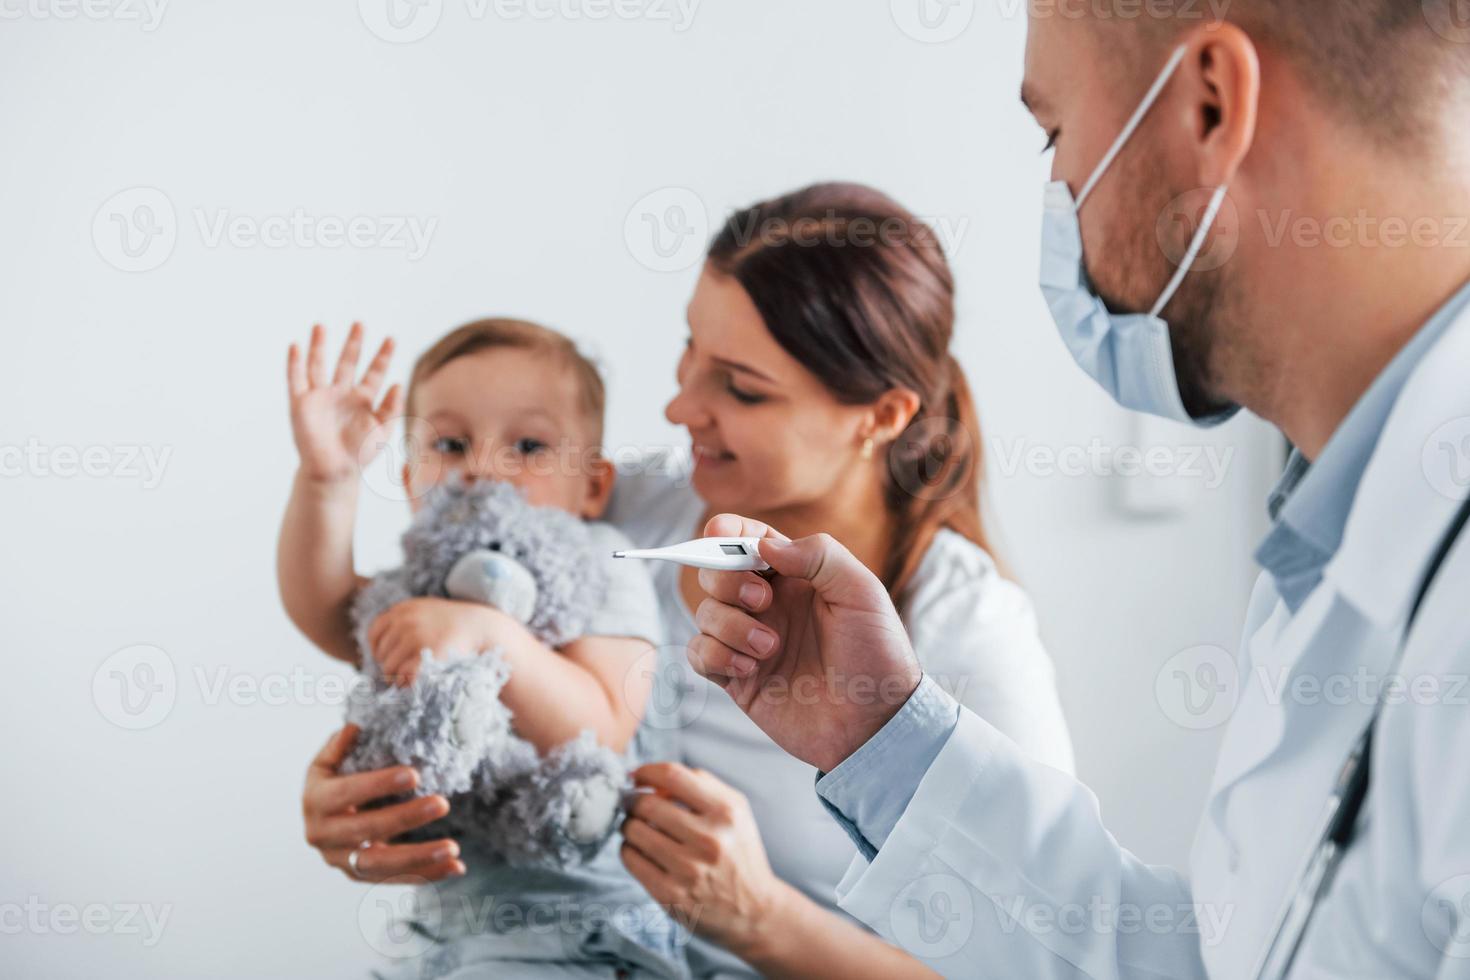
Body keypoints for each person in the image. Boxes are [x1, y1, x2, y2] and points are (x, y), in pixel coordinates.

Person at [685, 5, 1470, 977]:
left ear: (1211, 107)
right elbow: (1206, 963)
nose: (1059, 191)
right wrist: (882, 737)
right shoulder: (1343, 534)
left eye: (1054, 133)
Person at [299, 183, 1076, 978]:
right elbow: (388, 625)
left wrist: (761, 921)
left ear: (878, 417)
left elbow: (1040, 968)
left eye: (740, 387)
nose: (677, 406)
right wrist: (357, 808)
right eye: (689, 352)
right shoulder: (611, 518)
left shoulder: (968, 634)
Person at [280, 319, 683, 978]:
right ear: (409, 476)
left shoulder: (604, 565)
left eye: (527, 444)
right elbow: (322, 609)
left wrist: (489, 635)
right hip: (442, 931)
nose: (482, 469)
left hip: (583, 923)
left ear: (594, 485)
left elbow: (600, 726)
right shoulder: (416, 589)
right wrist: (327, 481)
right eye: (450, 443)